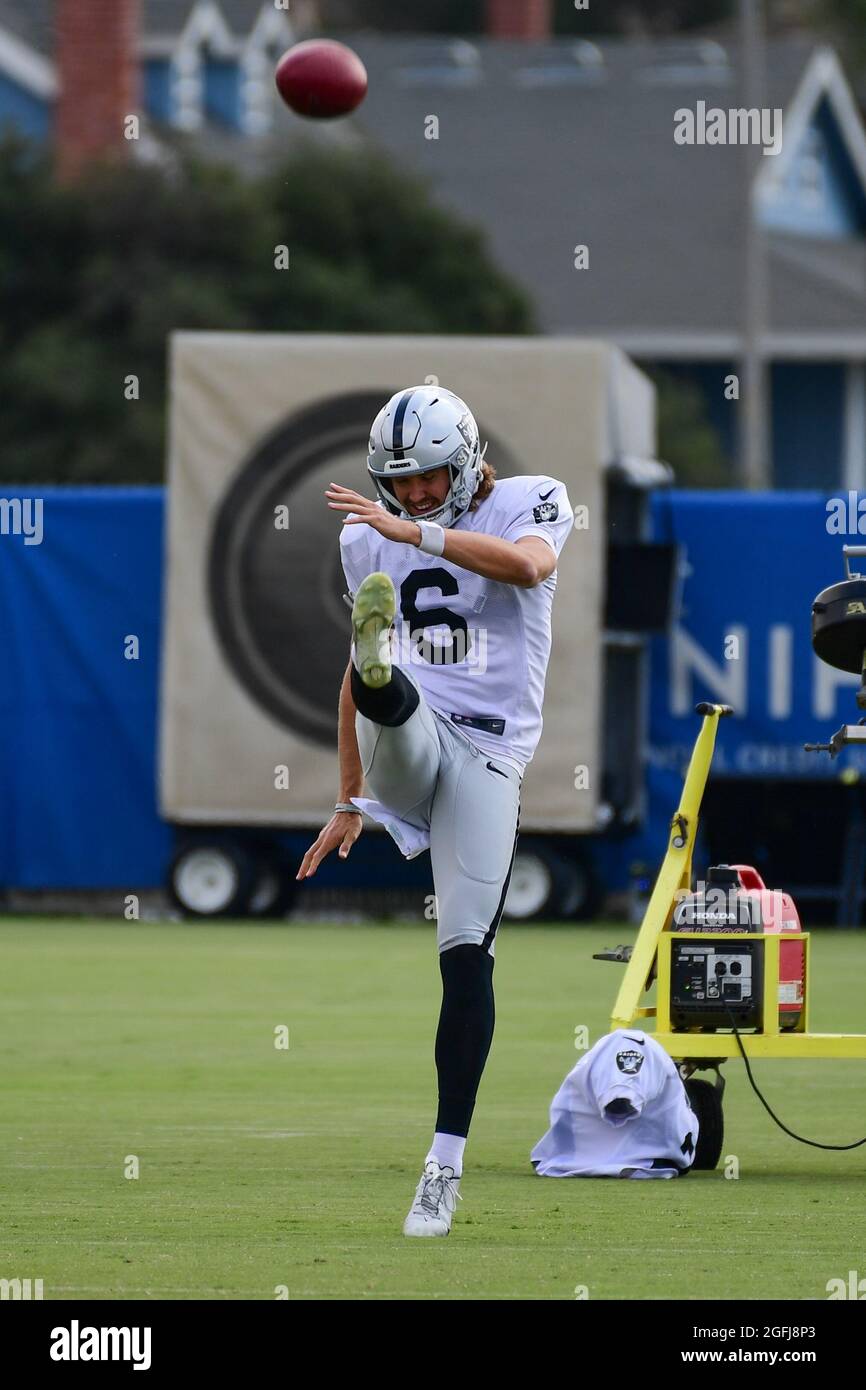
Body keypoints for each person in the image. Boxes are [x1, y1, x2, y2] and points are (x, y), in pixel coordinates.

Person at [297, 384, 574, 1235]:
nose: (413, 493)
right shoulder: (364, 538)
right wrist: (349, 796)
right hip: (413, 733)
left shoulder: (534, 499)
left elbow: (528, 567)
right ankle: (393, 681)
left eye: (428, 478)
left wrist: (414, 533)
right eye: (400, 483)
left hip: (492, 753)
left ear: (466, 456)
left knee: (466, 958)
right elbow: (347, 675)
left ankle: (442, 1170)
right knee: (386, 686)